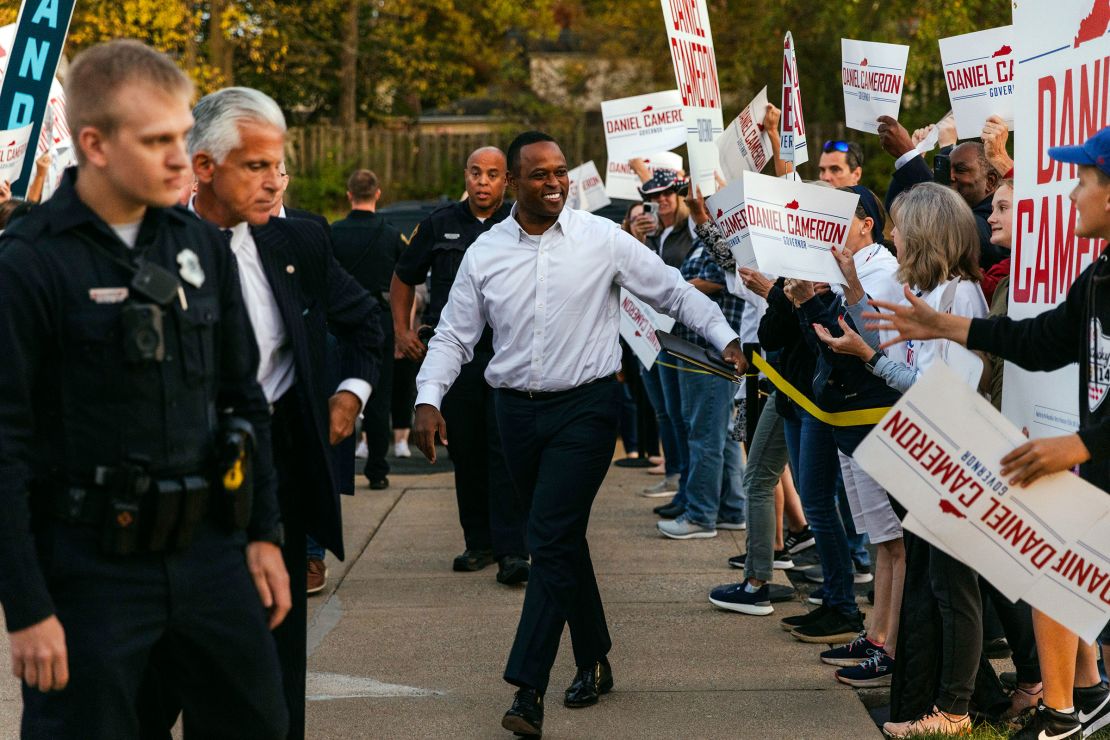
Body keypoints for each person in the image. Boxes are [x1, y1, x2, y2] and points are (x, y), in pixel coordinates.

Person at [0, 40, 289, 739]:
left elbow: (242, 401)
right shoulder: (29, 264)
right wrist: (28, 607)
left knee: (258, 724)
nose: (176, 156)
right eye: (156, 139)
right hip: (88, 567)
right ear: (94, 144)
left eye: (181, 136)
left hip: (209, 554)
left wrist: (262, 534)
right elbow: (3, 445)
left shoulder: (201, 248)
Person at [411, 131, 743, 737]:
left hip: (587, 409)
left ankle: (527, 688)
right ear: (513, 184)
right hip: (514, 412)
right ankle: (593, 657)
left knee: (548, 536)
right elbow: (455, 337)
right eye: (539, 175)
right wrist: (428, 399)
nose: (555, 183)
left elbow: (670, 290)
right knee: (562, 540)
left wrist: (723, 337)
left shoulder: (601, 239)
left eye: (561, 171)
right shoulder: (484, 254)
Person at [864, 128, 1110, 740]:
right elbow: (1040, 341)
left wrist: (1083, 444)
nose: (1074, 192)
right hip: (1095, 471)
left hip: (1090, 456)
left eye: (1086, 179)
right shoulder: (1103, 272)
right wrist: (943, 323)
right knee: (1068, 588)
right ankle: (1071, 708)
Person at [188, 86, 382, 739]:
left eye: (280, 166)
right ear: (203, 166)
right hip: (185, 492)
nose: (276, 183)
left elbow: (366, 322)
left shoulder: (298, 243)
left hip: (281, 482)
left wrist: (350, 391)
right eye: (256, 166)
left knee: (275, 685)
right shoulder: (152, 247)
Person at [816, 182, 988, 736]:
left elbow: (947, 388)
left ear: (927, 232)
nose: (891, 234)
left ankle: (956, 710)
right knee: (938, 586)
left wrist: (871, 358)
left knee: (953, 590)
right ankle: (954, 701)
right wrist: (851, 288)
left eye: (900, 225)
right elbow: (891, 344)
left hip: (951, 453)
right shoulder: (934, 291)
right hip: (927, 450)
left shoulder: (959, 297)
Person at [391, 146, 530, 585]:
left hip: (509, 353)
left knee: (505, 452)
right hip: (458, 358)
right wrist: (401, 331)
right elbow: (403, 278)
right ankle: (480, 543)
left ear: (506, 180)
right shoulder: (439, 224)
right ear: (465, 176)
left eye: (492, 174)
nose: (482, 182)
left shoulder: (521, 221)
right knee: (467, 450)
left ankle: (513, 550)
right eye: (475, 173)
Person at [331, 169, 406, 491]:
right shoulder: (390, 235)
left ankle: (338, 467)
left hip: (339, 322)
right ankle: (377, 469)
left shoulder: (333, 233)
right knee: (379, 398)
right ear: (378, 194)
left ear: (349, 195)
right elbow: (407, 278)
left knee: (337, 394)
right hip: (379, 321)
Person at [877, 115, 1006, 268]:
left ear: (990, 182)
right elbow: (896, 207)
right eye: (947, 169)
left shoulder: (995, 223)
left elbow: (945, 216)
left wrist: (909, 154)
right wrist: (917, 153)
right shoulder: (959, 208)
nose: (949, 177)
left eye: (961, 170)